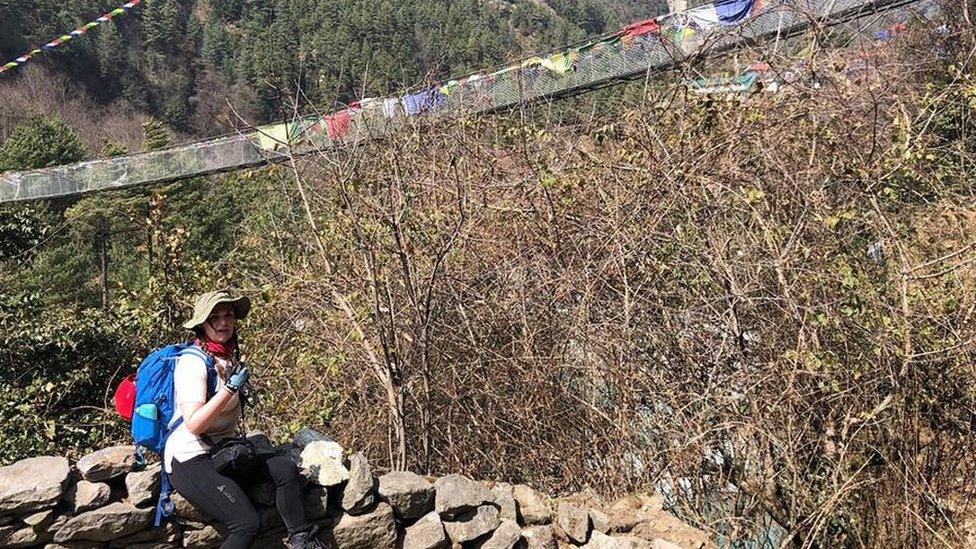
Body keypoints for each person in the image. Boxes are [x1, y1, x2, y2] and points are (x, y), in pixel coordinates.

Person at [165, 289, 324, 549]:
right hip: (190, 457)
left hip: (222, 449)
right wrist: (230, 389)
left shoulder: (227, 356)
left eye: (228, 315)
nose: (223, 322)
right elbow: (194, 423)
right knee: (246, 523)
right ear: (202, 324)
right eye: (214, 317)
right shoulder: (192, 364)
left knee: (285, 469)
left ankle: (302, 539)